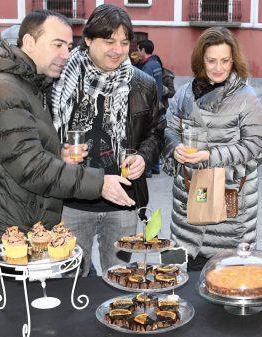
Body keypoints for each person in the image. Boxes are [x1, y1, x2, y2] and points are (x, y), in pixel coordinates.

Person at [0, 10, 114, 260]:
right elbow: (30, 166)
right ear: (29, 42)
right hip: (11, 231)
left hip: (26, 221)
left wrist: (57, 154)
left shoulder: (27, 82)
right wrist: (99, 184)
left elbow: (19, 149)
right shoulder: (2, 87)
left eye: (68, 46)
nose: (65, 55)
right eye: (57, 45)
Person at [50, 5, 164, 277]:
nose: (117, 49)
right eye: (109, 41)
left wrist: (143, 157)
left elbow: (156, 131)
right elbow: (38, 135)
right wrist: (58, 150)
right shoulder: (60, 81)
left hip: (123, 203)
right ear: (88, 39)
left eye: (124, 42)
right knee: (70, 279)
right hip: (71, 202)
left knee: (121, 278)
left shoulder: (143, 84)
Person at [163, 27, 262, 271]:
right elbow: (168, 128)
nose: (218, 67)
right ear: (201, 60)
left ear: (234, 61)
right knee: (185, 275)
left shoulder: (247, 97)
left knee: (226, 279)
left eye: (225, 60)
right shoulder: (184, 94)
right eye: (211, 60)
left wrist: (211, 156)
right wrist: (174, 147)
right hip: (188, 202)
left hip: (229, 207)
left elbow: (257, 146)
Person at [136, 38, 164, 177]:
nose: (136, 52)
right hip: (157, 104)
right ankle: (156, 167)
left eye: (138, 49)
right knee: (156, 134)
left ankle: (147, 170)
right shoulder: (156, 63)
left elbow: (144, 89)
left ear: (143, 50)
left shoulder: (147, 67)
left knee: (147, 136)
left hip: (148, 106)